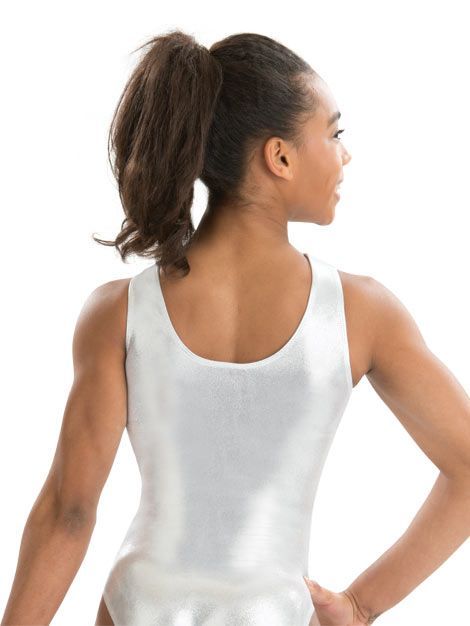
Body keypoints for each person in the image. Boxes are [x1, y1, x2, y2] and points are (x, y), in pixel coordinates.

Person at [2, 29, 470, 626]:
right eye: (334, 134)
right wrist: (358, 606)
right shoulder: (362, 311)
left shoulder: (118, 311)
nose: (345, 155)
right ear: (280, 157)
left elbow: (68, 512)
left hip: (136, 606)